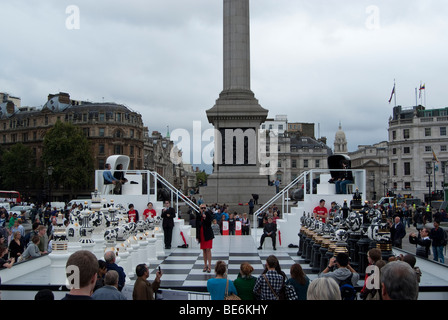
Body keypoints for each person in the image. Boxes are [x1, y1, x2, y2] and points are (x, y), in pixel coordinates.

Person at [196, 204, 214, 273]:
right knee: (204, 250)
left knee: (208, 249)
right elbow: (197, 226)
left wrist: (205, 218)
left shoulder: (208, 214)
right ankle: (205, 265)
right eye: (201, 208)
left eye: (204, 208)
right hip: (201, 234)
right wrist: (197, 236)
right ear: (199, 209)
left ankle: (209, 266)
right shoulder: (198, 215)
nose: (203, 209)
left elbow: (209, 223)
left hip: (208, 234)